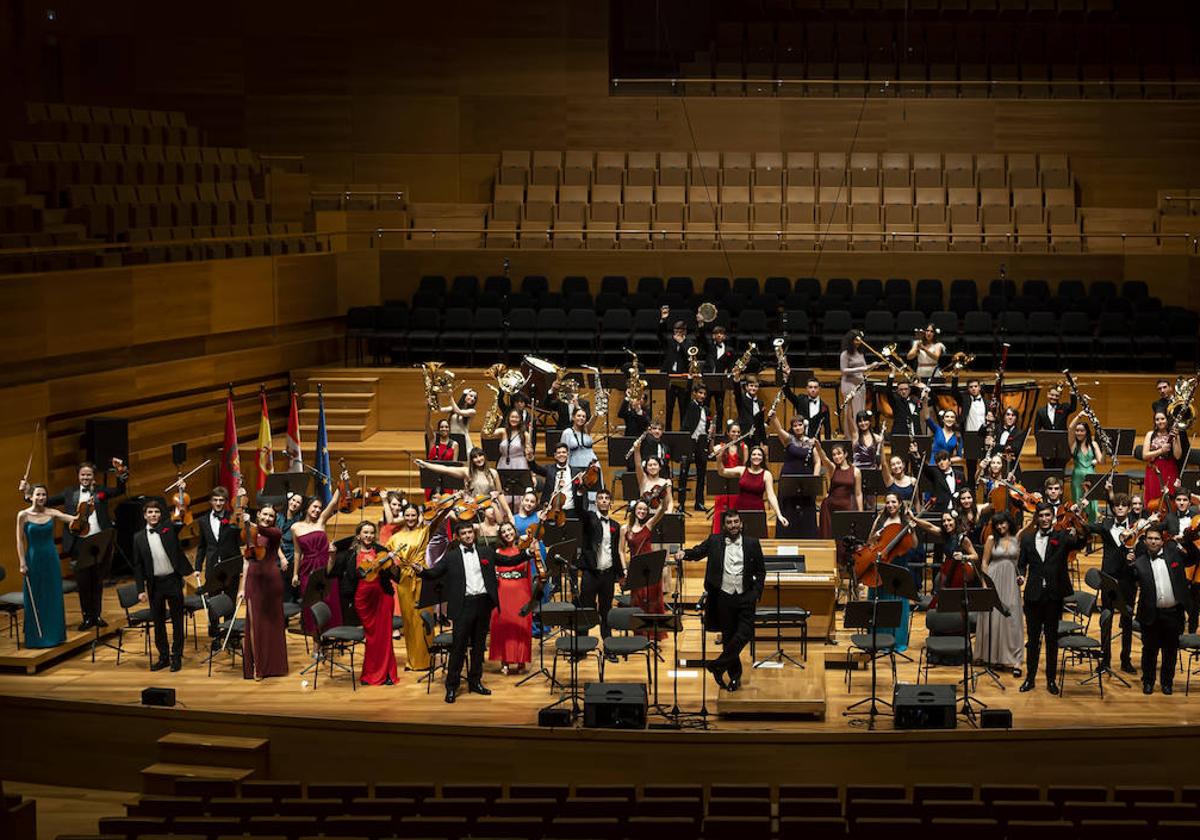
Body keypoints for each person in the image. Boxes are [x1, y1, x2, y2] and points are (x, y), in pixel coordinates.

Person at [676, 510, 765, 692]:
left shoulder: (752, 543)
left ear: (741, 523)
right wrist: (683, 553)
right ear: (724, 525)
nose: (733, 525)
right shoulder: (715, 540)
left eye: (736, 522)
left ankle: (717, 665)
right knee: (729, 637)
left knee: (745, 633)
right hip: (723, 596)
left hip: (745, 595)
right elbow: (698, 552)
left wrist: (756, 592)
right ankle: (734, 677)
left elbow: (761, 571)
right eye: (729, 522)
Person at [36, 460, 127, 630]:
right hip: (79, 544)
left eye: (89, 475)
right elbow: (47, 501)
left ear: (93, 477)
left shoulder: (101, 491)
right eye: (83, 474)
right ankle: (87, 617)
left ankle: (97, 615)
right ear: (78, 476)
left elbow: (120, 490)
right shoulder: (69, 493)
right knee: (83, 583)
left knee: (97, 581)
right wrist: (28, 494)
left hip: (100, 542)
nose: (85, 477)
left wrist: (120, 473)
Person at [418, 520, 499, 704]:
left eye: (470, 532)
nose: (468, 536)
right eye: (464, 533)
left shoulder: (486, 552)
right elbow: (434, 573)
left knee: (478, 648)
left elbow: (507, 560)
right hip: (463, 606)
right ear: (458, 537)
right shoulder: (451, 556)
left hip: (483, 604)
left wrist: (527, 553)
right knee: (458, 649)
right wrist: (421, 571)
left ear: (474, 534)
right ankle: (451, 687)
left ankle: (475, 681)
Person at [1016, 502, 1084, 694]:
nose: (1045, 519)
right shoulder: (1028, 539)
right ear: (1037, 518)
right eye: (1041, 516)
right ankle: (1030, 678)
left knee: (1052, 640)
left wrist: (1079, 522)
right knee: (1033, 640)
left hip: (1053, 596)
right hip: (1033, 596)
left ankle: (1051, 680)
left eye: (1048, 516)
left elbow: (1081, 542)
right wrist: (1020, 575)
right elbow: (1022, 564)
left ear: (1053, 518)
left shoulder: (1062, 537)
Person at [385, 500, 453, 671]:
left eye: (413, 515)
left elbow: (437, 521)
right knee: (408, 621)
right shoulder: (395, 538)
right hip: (404, 582)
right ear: (403, 517)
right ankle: (412, 660)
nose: (410, 518)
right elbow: (387, 560)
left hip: (422, 579)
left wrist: (447, 507)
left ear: (418, 516)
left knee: (423, 620)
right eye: (407, 515)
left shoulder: (424, 532)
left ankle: (426, 659)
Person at [1132, 525, 1198, 695]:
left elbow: (1194, 558)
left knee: (1170, 651)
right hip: (1150, 613)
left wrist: (1188, 541)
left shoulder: (1174, 554)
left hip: (1173, 613)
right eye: (1150, 539)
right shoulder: (1139, 563)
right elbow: (1126, 578)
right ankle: (1148, 682)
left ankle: (1167, 683)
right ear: (1145, 541)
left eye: (1157, 539)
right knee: (1149, 651)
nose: (1153, 541)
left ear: (1162, 541)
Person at [131, 499, 194, 672]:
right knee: (158, 623)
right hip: (154, 585)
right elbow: (137, 566)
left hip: (172, 581)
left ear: (161, 514)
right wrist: (140, 590)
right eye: (150, 512)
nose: (153, 515)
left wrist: (181, 497)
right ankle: (164, 657)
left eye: (156, 512)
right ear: (145, 516)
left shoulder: (168, 528)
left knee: (177, 621)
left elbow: (181, 517)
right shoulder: (138, 538)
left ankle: (176, 656)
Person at [16, 485, 77, 648]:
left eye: (44, 494)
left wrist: (86, 510)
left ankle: (55, 636)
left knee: (53, 595)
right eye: (38, 494)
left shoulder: (52, 513)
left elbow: (72, 519)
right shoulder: (23, 515)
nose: (41, 497)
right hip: (33, 558)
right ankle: (36, 638)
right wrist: (22, 562)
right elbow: (20, 540)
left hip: (51, 558)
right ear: (31, 496)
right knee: (36, 596)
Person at [1086, 491, 1139, 673]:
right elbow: (1088, 527)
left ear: (1129, 508)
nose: (1120, 508)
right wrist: (1080, 512)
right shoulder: (1106, 524)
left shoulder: (1136, 527)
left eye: (1124, 505)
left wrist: (1134, 558)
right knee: (1106, 619)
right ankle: (1105, 660)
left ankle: (1126, 660)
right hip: (1108, 579)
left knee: (1127, 620)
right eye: (1117, 505)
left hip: (1128, 580)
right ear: (1113, 508)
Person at [239, 503, 289, 680]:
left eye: (271, 516)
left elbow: (264, 531)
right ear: (259, 514)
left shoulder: (275, 533)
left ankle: (273, 666)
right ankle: (257, 667)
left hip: (271, 581)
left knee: (273, 625)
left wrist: (249, 523)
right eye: (265, 514)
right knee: (255, 625)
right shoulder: (250, 533)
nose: (268, 518)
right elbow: (246, 560)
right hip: (254, 580)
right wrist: (242, 587)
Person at [861, 494, 916, 651]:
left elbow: (914, 544)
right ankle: (878, 638)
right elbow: (869, 542)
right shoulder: (880, 520)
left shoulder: (905, 521)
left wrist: (911, 531)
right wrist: (875, 536)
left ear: (900, 504)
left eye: (894, 502)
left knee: (897, 603)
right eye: (888, 502)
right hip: (880, 567)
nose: (890, 505)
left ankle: (896, 640)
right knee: (879, 603)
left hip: (898, 566)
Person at [973, 511, 1024, 677]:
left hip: (1010, 582)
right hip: (993, 579)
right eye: (997, 525)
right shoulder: (991, 540)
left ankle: (1015, 658)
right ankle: (992, 657)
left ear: (1009, 523)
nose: (1001, 527)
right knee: (993, 618)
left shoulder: (1017, 538)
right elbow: (985, 563)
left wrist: (1021, 576)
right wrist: (984, 584)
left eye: (1004, 523)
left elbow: (1019, 564)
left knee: (1012, 618)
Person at [290, 486, 342, 635]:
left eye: (320, 508)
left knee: (328, 599)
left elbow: (333, 502)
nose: (317, 510)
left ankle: (330, 635)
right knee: (311, 602)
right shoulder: (296, 527)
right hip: (307, 568)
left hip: (325, 564)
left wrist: (341, 484)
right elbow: (297, 551)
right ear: (307, 508)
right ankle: (315, 638)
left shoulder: (321, 522)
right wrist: (295, 574)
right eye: (315, 507)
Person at [578, 489, 623, 647]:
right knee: (585, 610)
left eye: (606, 498)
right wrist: (579, 492)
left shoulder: (616, 526)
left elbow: (616, 552)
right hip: (591, 573)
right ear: (596, 502)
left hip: (608, 575)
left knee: (606, 611)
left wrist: (621, 574)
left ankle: (609, 647)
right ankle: (581, 648)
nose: (603, 500)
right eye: (600, 498)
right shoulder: (590, 519)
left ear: (610, 503)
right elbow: (579, 511)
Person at [489, 521, 534, 674]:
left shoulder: (523, 549)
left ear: (514, 530)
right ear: (500, 535)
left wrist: (531, 598)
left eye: (509, 530)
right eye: (504, 532)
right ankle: (505, 661)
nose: (507, 533)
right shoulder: (497, 551)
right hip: (503, 592)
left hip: (521, 592)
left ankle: (521, 662)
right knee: (504, 626)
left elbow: (529, 574)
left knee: (522, 625)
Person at [622, 498, 667, 639]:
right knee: (638, 603)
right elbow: (620, 551)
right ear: (634, 511)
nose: (642, 512)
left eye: (644, 510)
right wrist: (625, 569)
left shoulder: (648, 525)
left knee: (654, 603)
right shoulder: (625, 529)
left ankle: (654, 635)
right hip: (636, 571)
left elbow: (663, 510)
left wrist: (663, 496)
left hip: (650, 570)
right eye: (639, 509)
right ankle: (640, 635)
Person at [770, 413, 819, 539]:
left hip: (806, 480)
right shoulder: (788, 439)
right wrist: (774, 417)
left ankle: (807, 538)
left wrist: (814, 479)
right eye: (794, 426)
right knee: (788, 508)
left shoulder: (812, 442)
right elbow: (779, 429)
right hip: (788, 478)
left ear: (804, 426)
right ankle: (786, 537)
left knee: (806, 508)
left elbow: (817, 462)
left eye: (799, 425)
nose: (797, 428)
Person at [719, 444, 789, 530]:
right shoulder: (742, 470)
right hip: (741, 508)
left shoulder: (766, 474)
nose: (756, 457)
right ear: (750, 457)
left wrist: (779, 515)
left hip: (757, 510)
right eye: (754, 454)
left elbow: (771, 496)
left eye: (759, 455)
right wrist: (719, 458)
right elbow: (722, 472)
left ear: (763, 458)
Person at [816, 443, 861, 566]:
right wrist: (818, 447)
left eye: (839, 453)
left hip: (845, 508)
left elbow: (858, 493)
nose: (836, 457)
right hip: (829, 509)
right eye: (834, 455)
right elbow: (824, 458)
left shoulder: (856, 471)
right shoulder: (832, 468)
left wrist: (860, 512)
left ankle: (843, 569)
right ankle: (829, 567)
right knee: (829, 537)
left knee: (844, 540)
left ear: (845, 454)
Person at [195, 485, 242, 601]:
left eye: (221, 500)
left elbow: (241, 539)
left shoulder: (233, 517)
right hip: (213, 568)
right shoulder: (203, 521)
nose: (218, 503)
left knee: (230, 602)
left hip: (230, 568)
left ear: (226, 501)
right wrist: (198, 567)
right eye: (215, 500)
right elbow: (202, 546)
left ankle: (229, 620)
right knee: (213, 604)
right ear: (211, 501)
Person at [1163, 488, 1200, 632]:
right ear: (1174, 501)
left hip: (1195, 558)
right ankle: (1178, 627)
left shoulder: (1196, 516)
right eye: (1179, 500)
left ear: (1189, 502)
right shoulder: (1170, 517)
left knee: (1195, 598)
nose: (1182, 503)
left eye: (1185, 500)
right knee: (1178, 595)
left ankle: (1192, 628)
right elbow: (1161, 531)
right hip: (1177, 560)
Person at [658, 308, 698, 430]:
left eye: (680, 331)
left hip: (683, 379)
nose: (677, 333)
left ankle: (682, 432)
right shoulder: (670, 341)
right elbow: (660, 335)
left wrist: (682, 343)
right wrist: (663, 320)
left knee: (683, 407)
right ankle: (668, 432)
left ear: (684, 331)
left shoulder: (690, 342)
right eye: (676, 331)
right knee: (669, 407)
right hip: (670, 378)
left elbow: (690, 357)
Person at [417, 447, 503, 501]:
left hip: (490, 507)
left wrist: (497, 494)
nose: (479, 459)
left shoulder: (493, 473)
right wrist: (425, 464)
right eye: (475, 457)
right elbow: (446, 469)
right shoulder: (467, 472)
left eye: (480, 455)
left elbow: (500, 493)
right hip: (473, 507)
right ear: (472, 460)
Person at [710, 421, 749, 536]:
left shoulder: (744, 447)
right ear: (727, 433)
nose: (736, 434)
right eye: (733, 432)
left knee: (736, 510)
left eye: (738, 432)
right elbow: (712, 451)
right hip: (723, 482)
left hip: (737, 483)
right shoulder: (720, 446)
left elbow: (745, 467)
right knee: (720, 510)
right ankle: (718, 536)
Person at [838, 330, 877, 440]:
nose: (858, 342)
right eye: (856, 340)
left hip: (860, 383)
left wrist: (872, 366)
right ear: (850, 340)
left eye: (859, 340)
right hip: (849, 384)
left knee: (860, 410)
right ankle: (850, 436)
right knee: (850, 410)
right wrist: (864, 368)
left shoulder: (860, 353)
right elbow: (843, 370)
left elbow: (864, 368)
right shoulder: (845, 354)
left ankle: (860, 435)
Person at [678, 382, 711, 511]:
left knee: (701, 475)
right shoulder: (689, 405)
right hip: (688, 441)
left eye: (704, 394)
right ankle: (681, 503)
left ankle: (699, 502)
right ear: (694, 394)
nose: (702, 396)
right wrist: (690, 379)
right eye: (700, 393)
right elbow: (686, 395)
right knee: (683, 474)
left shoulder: (707, 409)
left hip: (701, 443)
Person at [1142, 412, 1183, 508]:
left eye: (1162, 419)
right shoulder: (1150, 434)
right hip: (1154, 470)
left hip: (1169, 469)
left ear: (1167, 420)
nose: (1160, 422)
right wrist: (1161, 450)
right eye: (1157, 419)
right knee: (1153, 497)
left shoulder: (1173, 434)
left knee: (1170, 497)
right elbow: (1144, 455)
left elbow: (1177, 456)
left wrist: (1176, 437)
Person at [1067, 414, 1103, 522]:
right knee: (1078, 503)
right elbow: (1070, 428)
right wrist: (1079, 416)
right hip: (1077, 478)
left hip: (1091, 477)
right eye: (1077, 430)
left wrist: (1096, 460)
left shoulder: (1093, 444)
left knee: (1091, 503)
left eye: (1081, 430)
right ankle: (1078, 527)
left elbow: (1101, 460)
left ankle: (1091, 527)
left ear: (1086, 432)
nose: (1078, 433)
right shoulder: (1073, 444)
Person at [1033, 383, 1078, 469]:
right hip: (1047, 448)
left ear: (1060, 396)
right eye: (1052, 395)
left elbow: (1073, 407)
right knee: (1048, 470)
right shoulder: (1041, 411)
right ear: (1047, 394)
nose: (1054, 397)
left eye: (1056, 395)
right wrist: (1042, 446)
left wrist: (1072, 390)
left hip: (1061, 447)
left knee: (1060, 471)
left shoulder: (1064, 408)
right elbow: (1036, 430)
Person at [700, 322, 736, 429]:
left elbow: (731, 365)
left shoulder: (730, 350)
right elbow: (702, 339)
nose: (719, 335)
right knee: (705, 406)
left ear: (724, 336)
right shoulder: (709, 347)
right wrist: (701, 325)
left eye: (721, 333)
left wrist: (728, 375)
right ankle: (705, 429)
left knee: (720, 407)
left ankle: (719, 430)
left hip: (721, 382)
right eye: (716, 333)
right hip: (708, 381)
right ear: (713, 336)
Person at [277, 491, 304, 602]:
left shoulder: (301, 519)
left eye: (298, 502)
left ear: (301, 506)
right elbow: (274, 540)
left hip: (293, 557)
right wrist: (282, 558)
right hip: (278, 554)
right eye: (293, 500)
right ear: (288, 501)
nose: (294, 503)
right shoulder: (278, 516)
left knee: (289, 590)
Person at [731, 372, 767, 445]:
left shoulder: (760, 403)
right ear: (746, 387)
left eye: (756, 386)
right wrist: (737, 378)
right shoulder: (741, 399)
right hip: (744, 434)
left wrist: (764, 442)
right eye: (751, 386)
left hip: (756, 437)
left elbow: (760, 424)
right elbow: (737, 391)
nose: (753, 388)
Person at [439, 388, 478, 452]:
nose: (473, 398)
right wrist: (438, 395)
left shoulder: (472, 411)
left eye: (475, 398)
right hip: (452, 439)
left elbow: (459, 412)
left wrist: (450, 396)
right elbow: (440, 410)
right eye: (471, 396)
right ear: (465, 396)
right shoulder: (453, 408)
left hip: (463, 439)